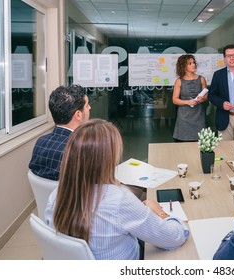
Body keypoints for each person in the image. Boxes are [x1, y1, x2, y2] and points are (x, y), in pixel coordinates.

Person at [44, 119, 189, 260]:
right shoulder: (120, 200)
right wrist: (160, 212)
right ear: (106, 160)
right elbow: (175, 237)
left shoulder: (55, 195)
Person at [29, 84, 90, 181]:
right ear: (78, 114)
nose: (90, 108)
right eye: (87, 105)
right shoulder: (82, 150)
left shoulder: (40, 143)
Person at [172, 54, 208, 141]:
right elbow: (174, 100)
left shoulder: (201, 79)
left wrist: (202, 98)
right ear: (184, 66)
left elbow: (206, 96)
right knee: (183, 146)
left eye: (194, 63)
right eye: (190, 63)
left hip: (199, 116)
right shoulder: (179, 81)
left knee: (201, 144)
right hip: (184, 117)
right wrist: (187, 102)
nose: (194, 65)